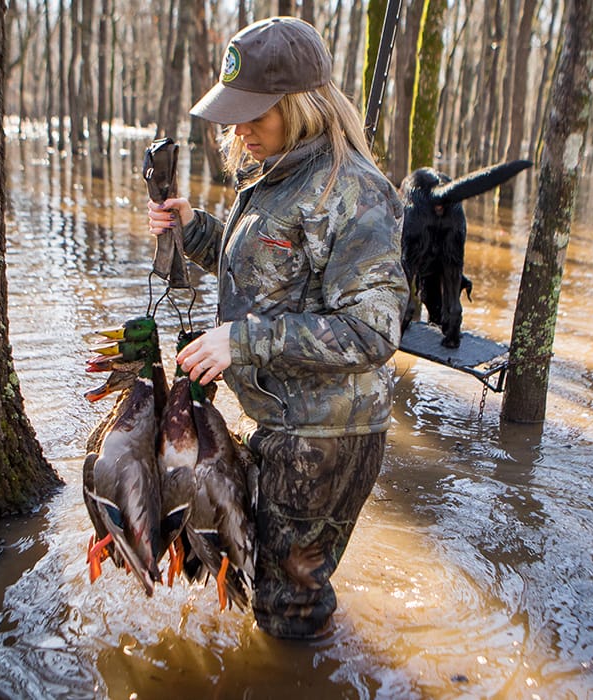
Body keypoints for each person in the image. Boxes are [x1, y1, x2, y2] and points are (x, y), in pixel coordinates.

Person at [147, 16, 407, 640]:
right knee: (262, 576)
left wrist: (242, 341)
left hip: (326, 435)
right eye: (234, 114)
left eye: (254, 115)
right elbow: (272, 276)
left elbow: (373, 331)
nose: (239, 130)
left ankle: (311, 674)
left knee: (287, 611)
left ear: (300, 105)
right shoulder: (277, 174)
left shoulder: (356, 194)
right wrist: (199, 232)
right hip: (285, 419)